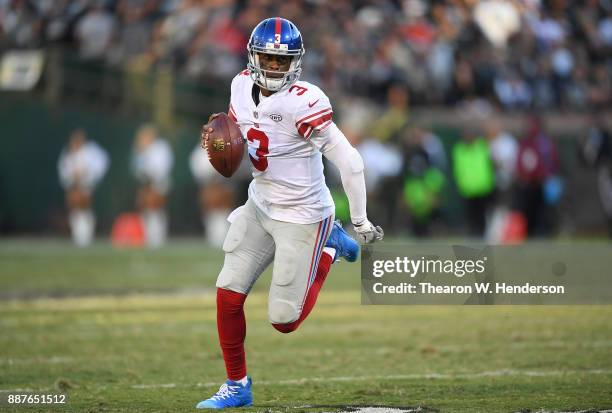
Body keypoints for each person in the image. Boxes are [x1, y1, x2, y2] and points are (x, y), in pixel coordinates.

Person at [196, 17, 383, 409]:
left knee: (284, 321)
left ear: (296, 62)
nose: (274, 67)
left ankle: (330, 245)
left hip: (303, 215)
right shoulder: (240, 86)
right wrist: (219, 144)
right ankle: (237, 386)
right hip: (260, 204)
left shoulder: (305, 101)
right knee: (228, 294)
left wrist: (361, 221)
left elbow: (350, 162)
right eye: (268, 58)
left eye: (283, 61)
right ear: (253, 56)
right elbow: (241, 138)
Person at [58, 128, 109, 247]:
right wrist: (72, 176)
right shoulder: (68, 153)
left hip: (86, 185)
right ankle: (78, 236)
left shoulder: (91, 151)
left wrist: (87, 175)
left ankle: (87, 236)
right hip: (74, 186)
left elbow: (100, 165)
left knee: (85, 210)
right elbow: (63, 171)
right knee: (75, 211)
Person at [131, 124, 173, 248]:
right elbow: (136, 168)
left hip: (159, 183)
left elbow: (163, 166)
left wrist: (151, 173)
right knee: (145, 210)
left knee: (156, 209)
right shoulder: (140, 149)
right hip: (145, 184)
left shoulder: (161, 147)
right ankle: (148, 237)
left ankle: (158, 238)